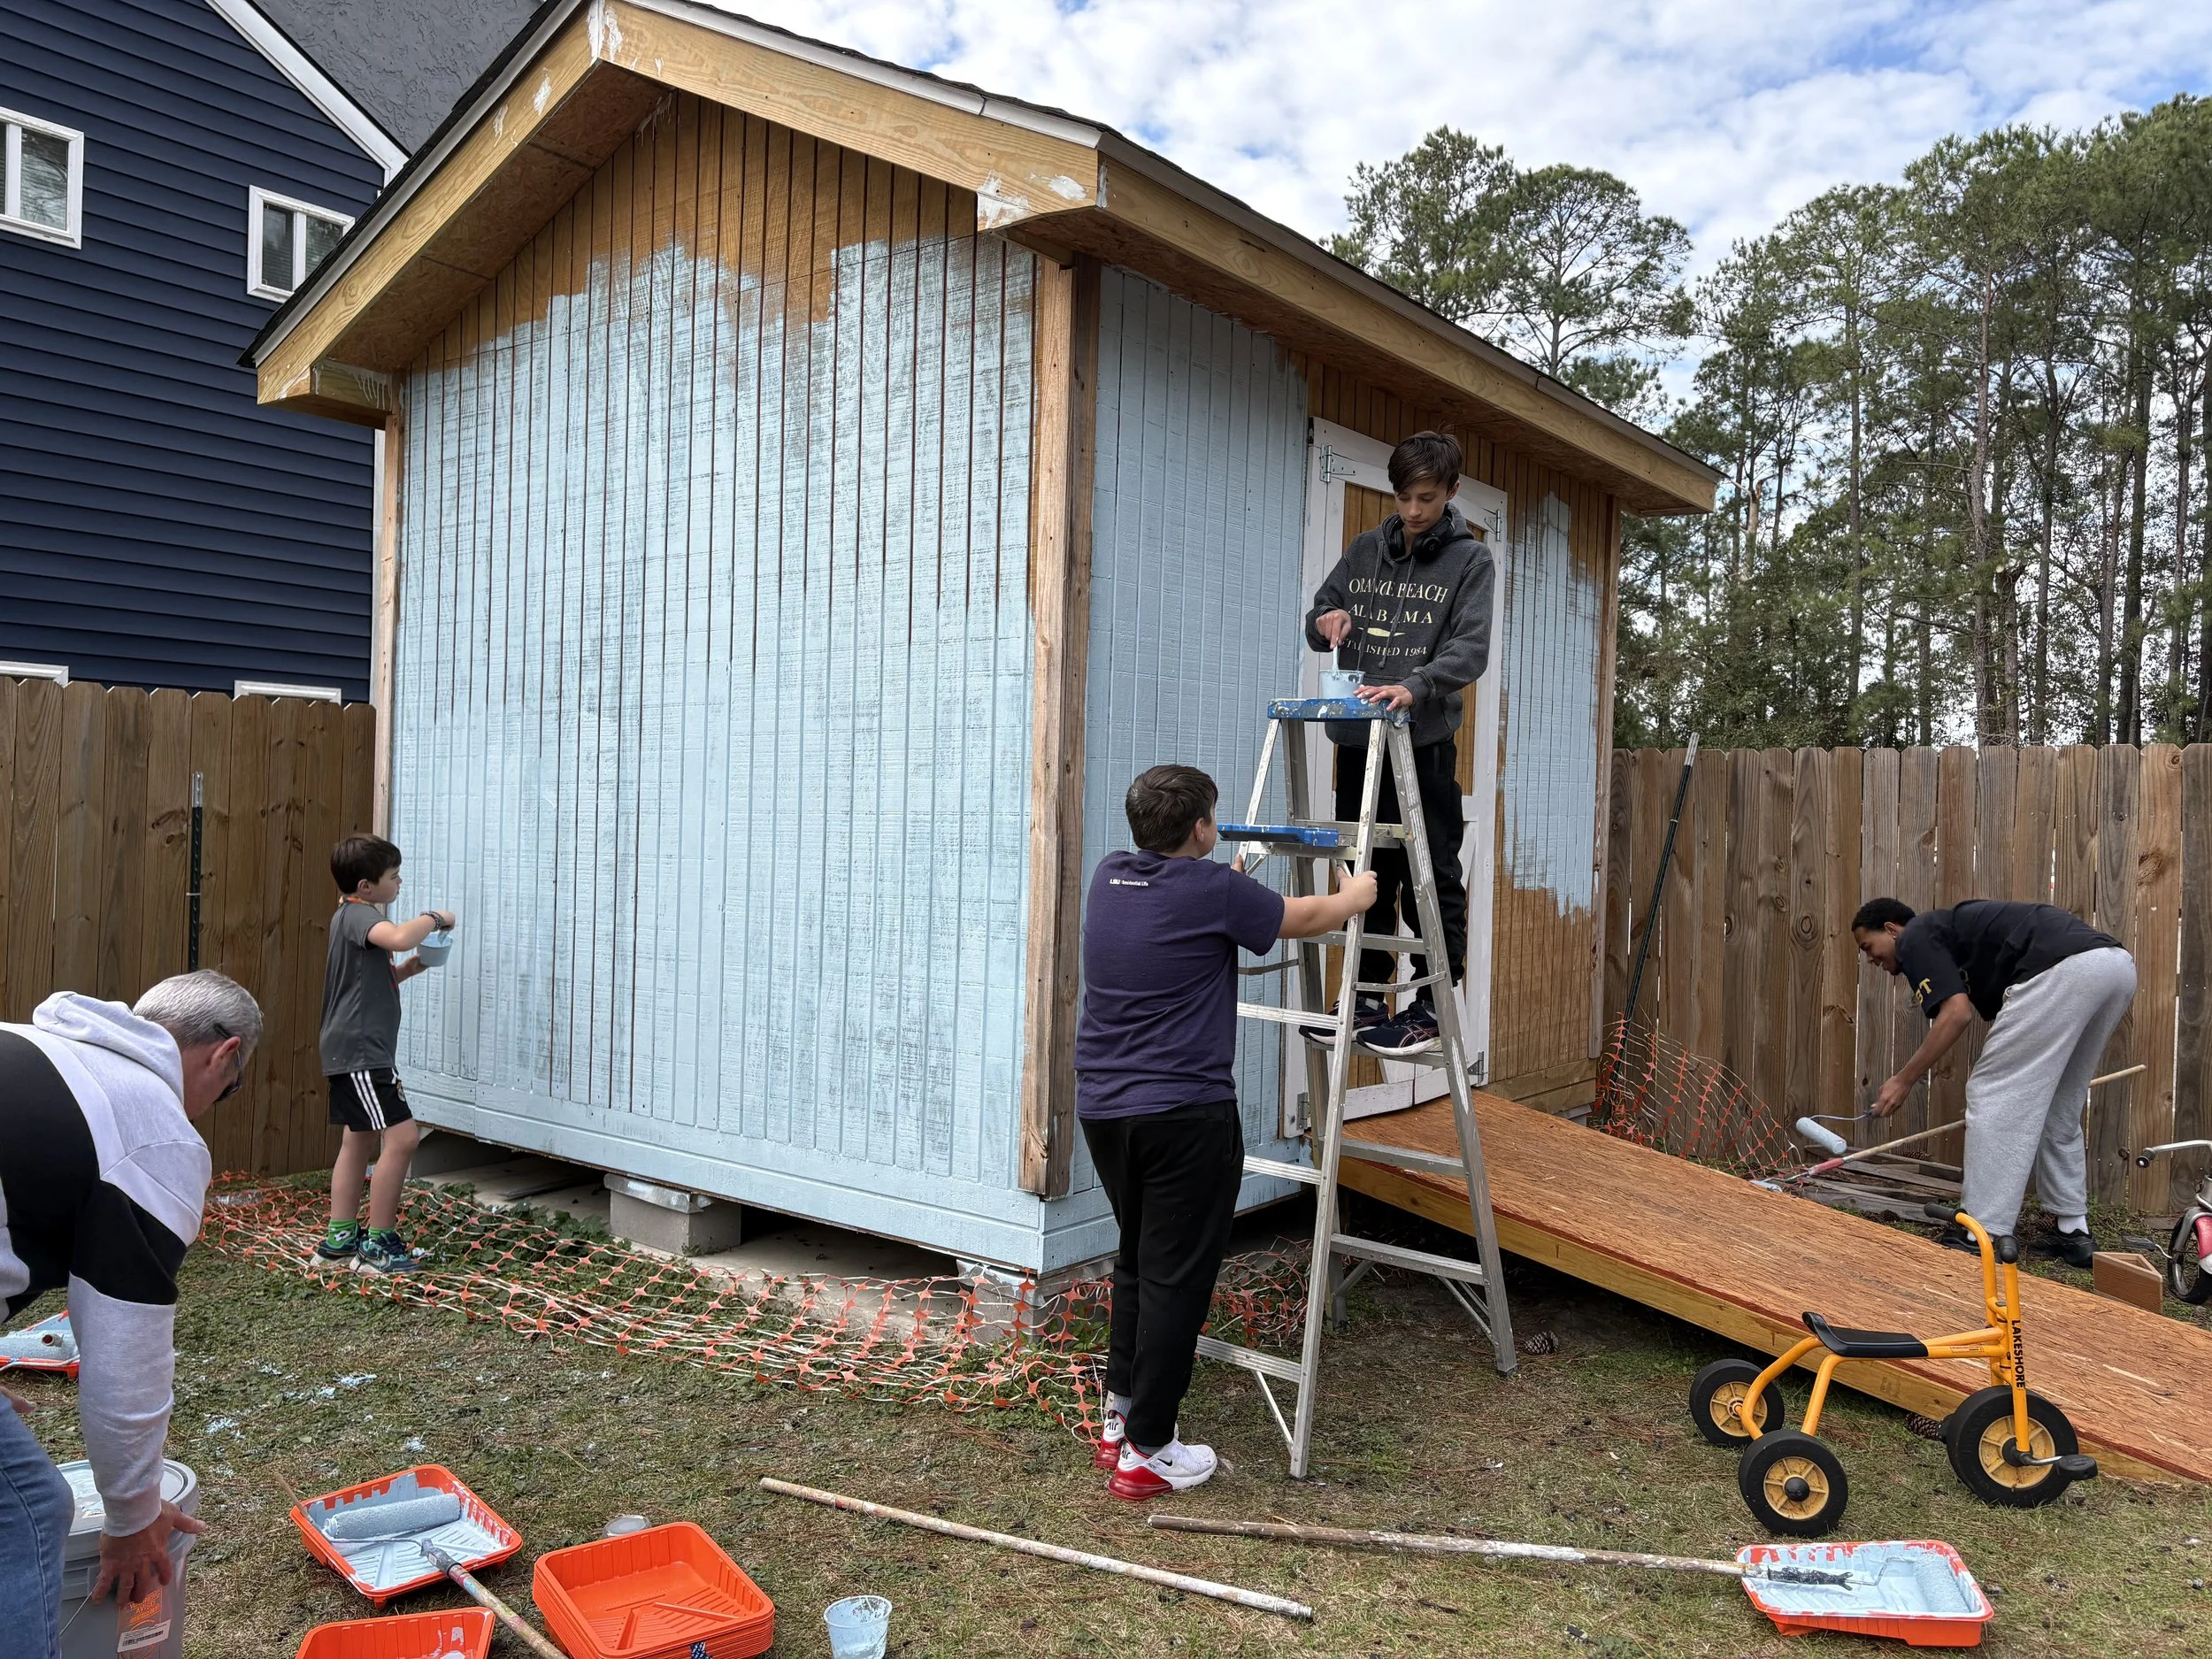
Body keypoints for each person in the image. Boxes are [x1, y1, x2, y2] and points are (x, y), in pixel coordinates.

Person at [1075, 764, 1379, 1499]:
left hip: (1105, 1110)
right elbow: (1299, 919)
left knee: (1140, 1263)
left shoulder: (1110, 876)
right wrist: (1354, 896)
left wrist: (1230, 880)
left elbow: (1186, 899)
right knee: (1177, 1278)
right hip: (1183, 1116)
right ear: (1202, 829)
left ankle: (1121, 1417)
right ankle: (1150, 1449)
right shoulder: (1211, 893)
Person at [1, 970, 258, 1656]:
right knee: (25, 1506)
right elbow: (124, 1356)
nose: (206, 1110)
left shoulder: (36, 1048)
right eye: (224, 1095)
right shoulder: (153, 1128)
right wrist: (134, 1515)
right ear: (224, 1056)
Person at [1304, 429, 1494, 1056]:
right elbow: (1322, 609)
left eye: (1427, 498)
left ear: (1452, 491)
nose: (1414, 511)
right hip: (1360, 739)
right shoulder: (1365, 550)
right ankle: (1364, 992)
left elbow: (1470, 650)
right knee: (1367, 871)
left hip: (1423, 742)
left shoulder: (1470, 561)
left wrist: (1416, 685)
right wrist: (1325, 618)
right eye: (1405, 498)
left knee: (1429, 871)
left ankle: (1433, 1002)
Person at [1851, 896, 2136, 1267]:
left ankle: (1980, 1231)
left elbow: (1956, 1014)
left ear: (1892, 929)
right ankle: (2073, 1232)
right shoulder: (1948, 939)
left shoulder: (1915, 936)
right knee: (2057, 1104)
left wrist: (1904, 1079)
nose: (1870, 959)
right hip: (2114, 966)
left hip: (2064, 969)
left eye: (1868, 947)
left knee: (1995, 1094)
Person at [319, 834, 453, 1274]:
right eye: (393, 877)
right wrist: (432, 919)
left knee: (357, 1138)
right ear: (366, 886)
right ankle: (378, 1244)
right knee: (404, 1137)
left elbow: (369, 979)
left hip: (352, 1052)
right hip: (362, 1055)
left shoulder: (351, 920)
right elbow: (397, 937)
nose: (399, 883)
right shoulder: (358, 915)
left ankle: (340, 1238)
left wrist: (409, 969)